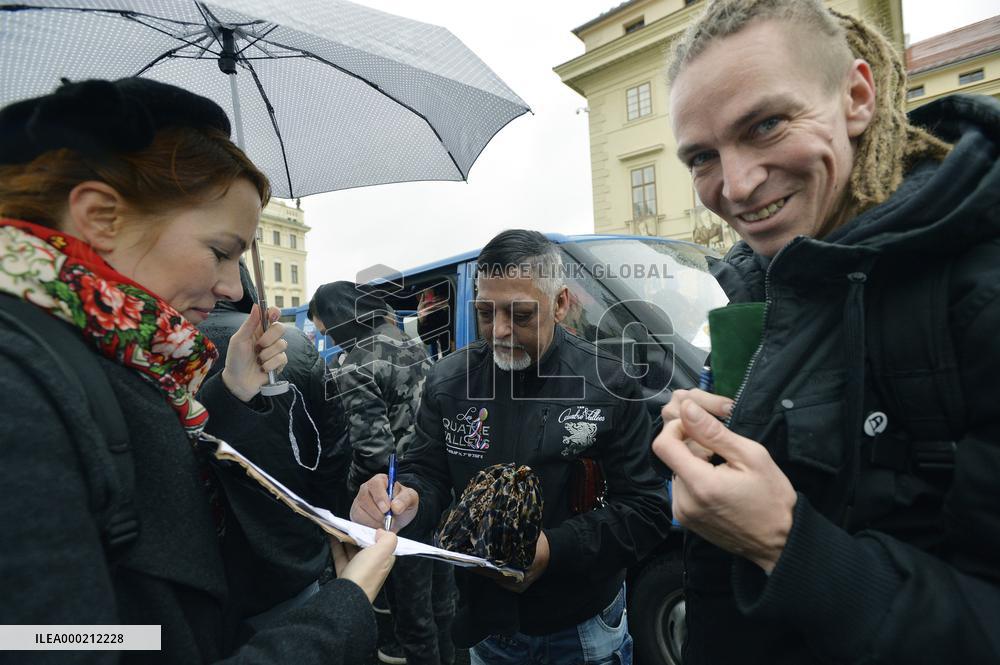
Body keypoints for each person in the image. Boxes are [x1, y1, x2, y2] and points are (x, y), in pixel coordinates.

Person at [0, 78, 396, 664]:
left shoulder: (124, 354)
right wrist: (342, 610)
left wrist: (235, 392)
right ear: (100, 216)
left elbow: (130, 615)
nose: (233, 286)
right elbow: (52, 643)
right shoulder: (20, 386)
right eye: (220, 251)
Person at [653, 1, 1000, 663]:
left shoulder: (978, 291)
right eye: (701, 157)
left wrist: (787, 544)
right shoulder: (758, 283)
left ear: (858, 98)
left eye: (766, 124)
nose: (736, 185)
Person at [351, 230, 673, 665]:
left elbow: (646, 511)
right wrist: (402, 501)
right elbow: (425, 474)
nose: (499, 331)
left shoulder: (609, 383)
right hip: (490, 630)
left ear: (560, 304)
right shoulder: (449, 382)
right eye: (486, 313)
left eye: (520, 315)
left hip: (583, 628)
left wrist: (552, 550)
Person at [310, 281, 455, 665]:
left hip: (395, 502)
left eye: (326, 330)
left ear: (338, 320)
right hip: (436, 487)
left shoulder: (357, 363)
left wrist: (346, 501)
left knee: (412, 618)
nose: (330, 340)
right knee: (442, 605)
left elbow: (373, 453)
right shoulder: (409, 343)